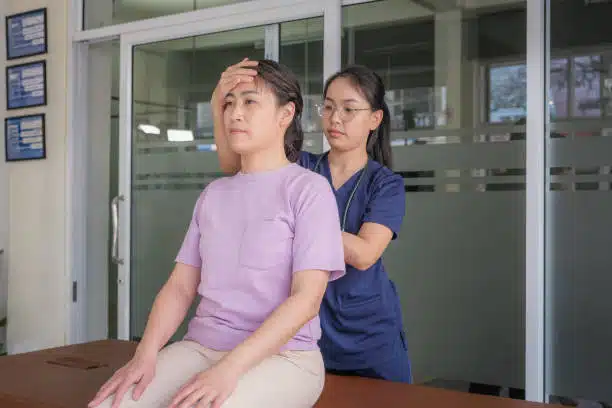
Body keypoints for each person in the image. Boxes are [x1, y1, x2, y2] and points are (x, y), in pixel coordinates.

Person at [88, 60, 345, 408]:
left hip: (285, 359)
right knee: (110, 404)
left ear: (285, 114)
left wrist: (229, 369)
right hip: (201, 348)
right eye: (229, 103)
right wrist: (145, 354)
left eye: (250, 102)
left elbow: (307, 299)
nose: (235, 114)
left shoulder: (309, 190)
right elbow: (180, 287)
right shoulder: (214, 194)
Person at [214, 60, 411, 383]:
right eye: (329, 107)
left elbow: (364, 254)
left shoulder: (385, 184)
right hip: (303, 324)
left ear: (375, 118)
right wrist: (217, 100)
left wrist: (304, 223)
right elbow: (232, 164)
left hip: (368, 332)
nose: (335, 118)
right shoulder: (300, 166)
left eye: (349, 109)